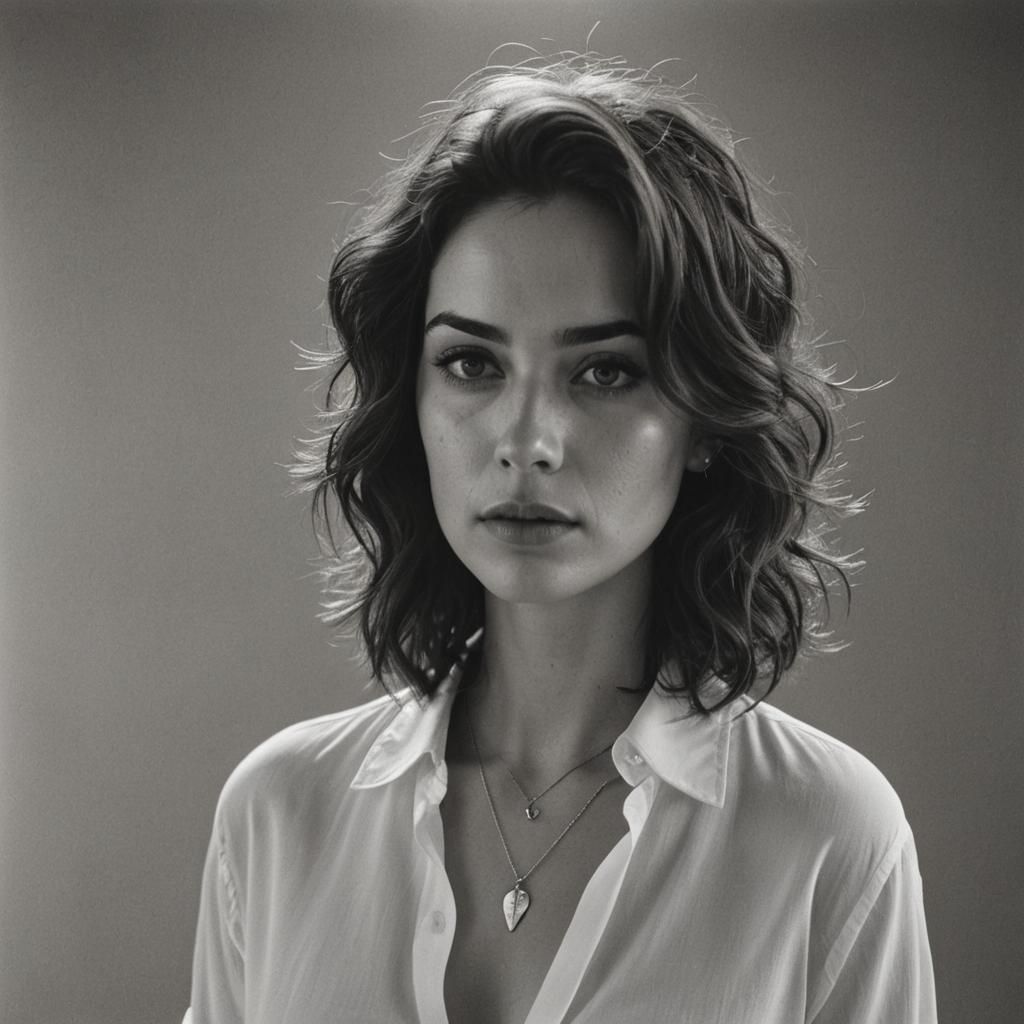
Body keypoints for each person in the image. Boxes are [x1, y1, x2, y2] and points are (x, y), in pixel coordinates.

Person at [184, 52, 937, 1023]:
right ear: (408, 398)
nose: (526, 443)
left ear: (706, 417)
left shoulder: (827, 836)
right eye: (468, 362)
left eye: (604, 373)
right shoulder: (279, 815)